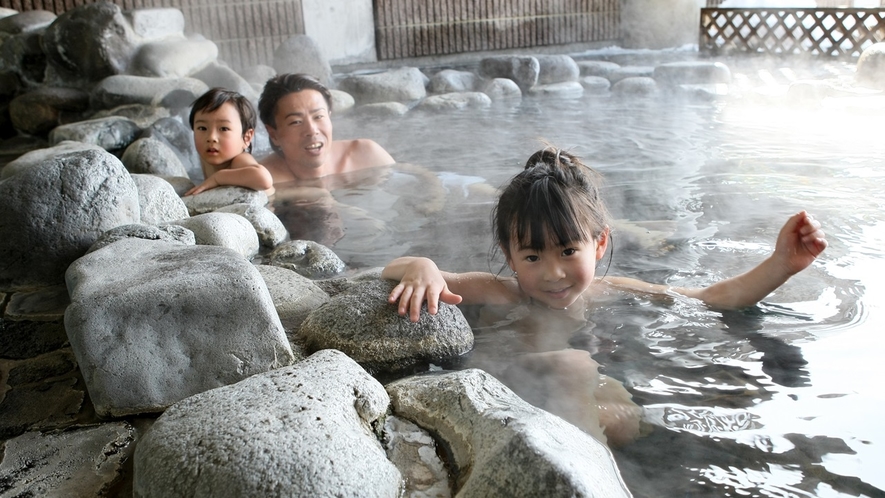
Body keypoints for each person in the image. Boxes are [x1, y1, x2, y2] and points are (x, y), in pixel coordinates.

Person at [381, 146, 828, 446]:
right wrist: (423, 267)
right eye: (532, 256)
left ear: (599, 244)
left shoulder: (607, 290)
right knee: (569, 364)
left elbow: (711, 298)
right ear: (509, 255)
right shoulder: (499, 291)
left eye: (568, 251)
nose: (553, 273)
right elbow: (392, 270)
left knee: (623, 413)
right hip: (515, 394)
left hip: (581, 394)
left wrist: (782, 264)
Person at [257, 73, 395, 182]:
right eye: (296, 122)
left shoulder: (366, 155)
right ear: (273, 134)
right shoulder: (264, 180)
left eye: (318, 117)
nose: (312, 130)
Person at [186, 88, 273, 196]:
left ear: (246, 137)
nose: (211, 137)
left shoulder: (240, 160)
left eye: (224, 129)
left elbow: (264, 179)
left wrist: (218, 178)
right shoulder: (207, 157)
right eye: (203, 128)